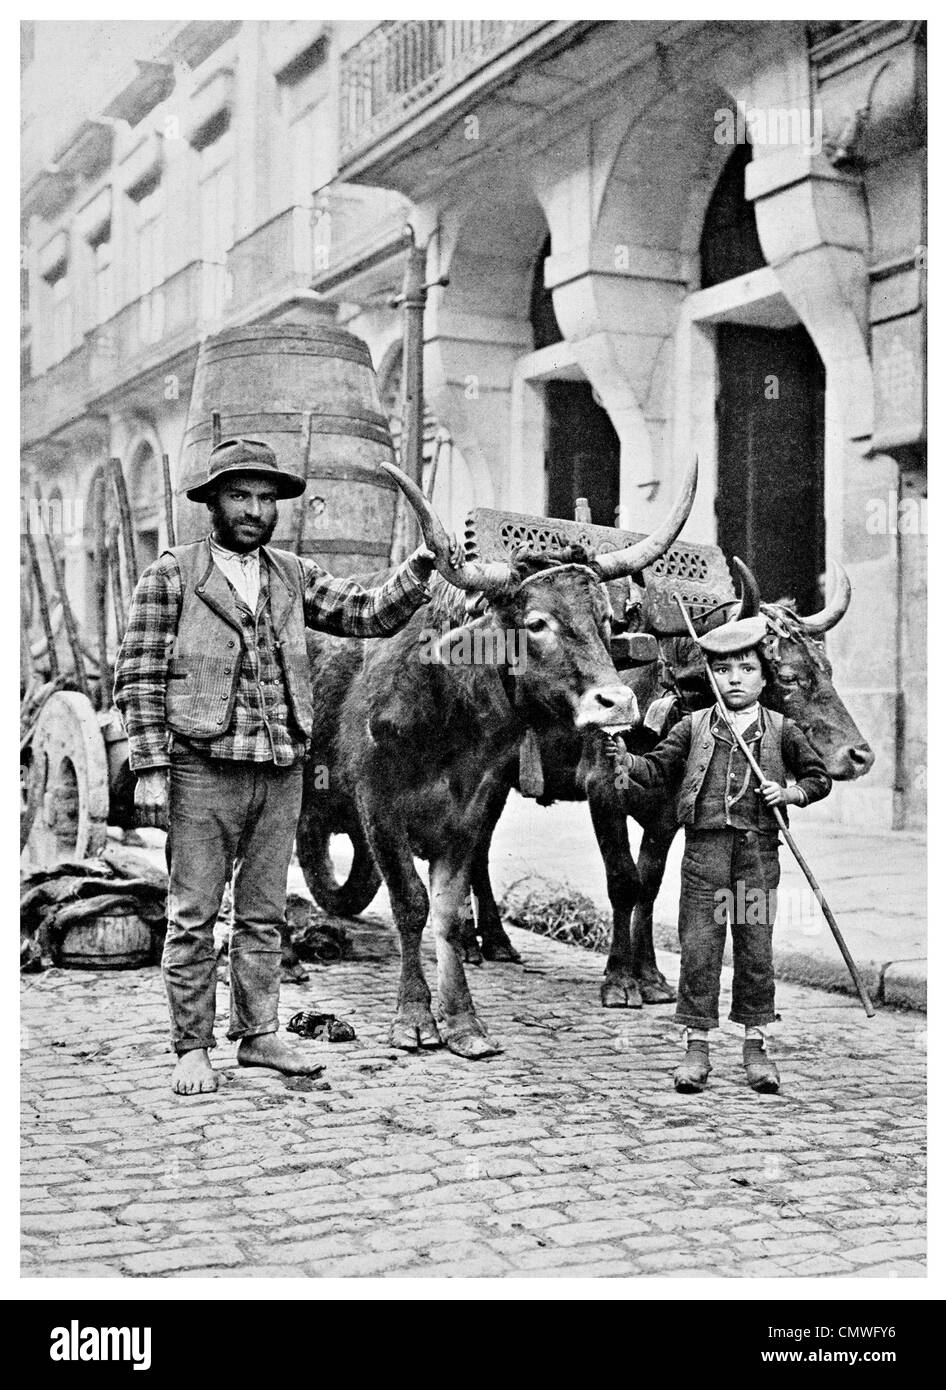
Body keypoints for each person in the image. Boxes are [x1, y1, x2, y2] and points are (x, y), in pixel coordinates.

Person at [114, 437, 444, 1096]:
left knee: (264, 917)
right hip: (201, 771)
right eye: (240, 495)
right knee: (193, 917)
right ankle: (191, 1046)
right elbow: (139, 674)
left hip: (280, 769)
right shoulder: (172, 576)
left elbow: (366, 611)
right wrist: (151, 766)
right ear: (213, 503)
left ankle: (260, 1035)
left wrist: (425, 562)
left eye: (265, 498)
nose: (254, 509)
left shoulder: (295, 575)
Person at [604, 615, 831, 1095]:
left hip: (757, 857)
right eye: (724, 670)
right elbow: (655, 771)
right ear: (711, 677)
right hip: (704, 857)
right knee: (700, 950)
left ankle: (756, 1048)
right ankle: (696, 1047)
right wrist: (624, 762)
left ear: (764, 678)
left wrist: (790, 796)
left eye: (746, 669)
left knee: (755, 950)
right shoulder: (692, 728)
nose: (735, 679)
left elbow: (818, 778)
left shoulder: (782, 730)